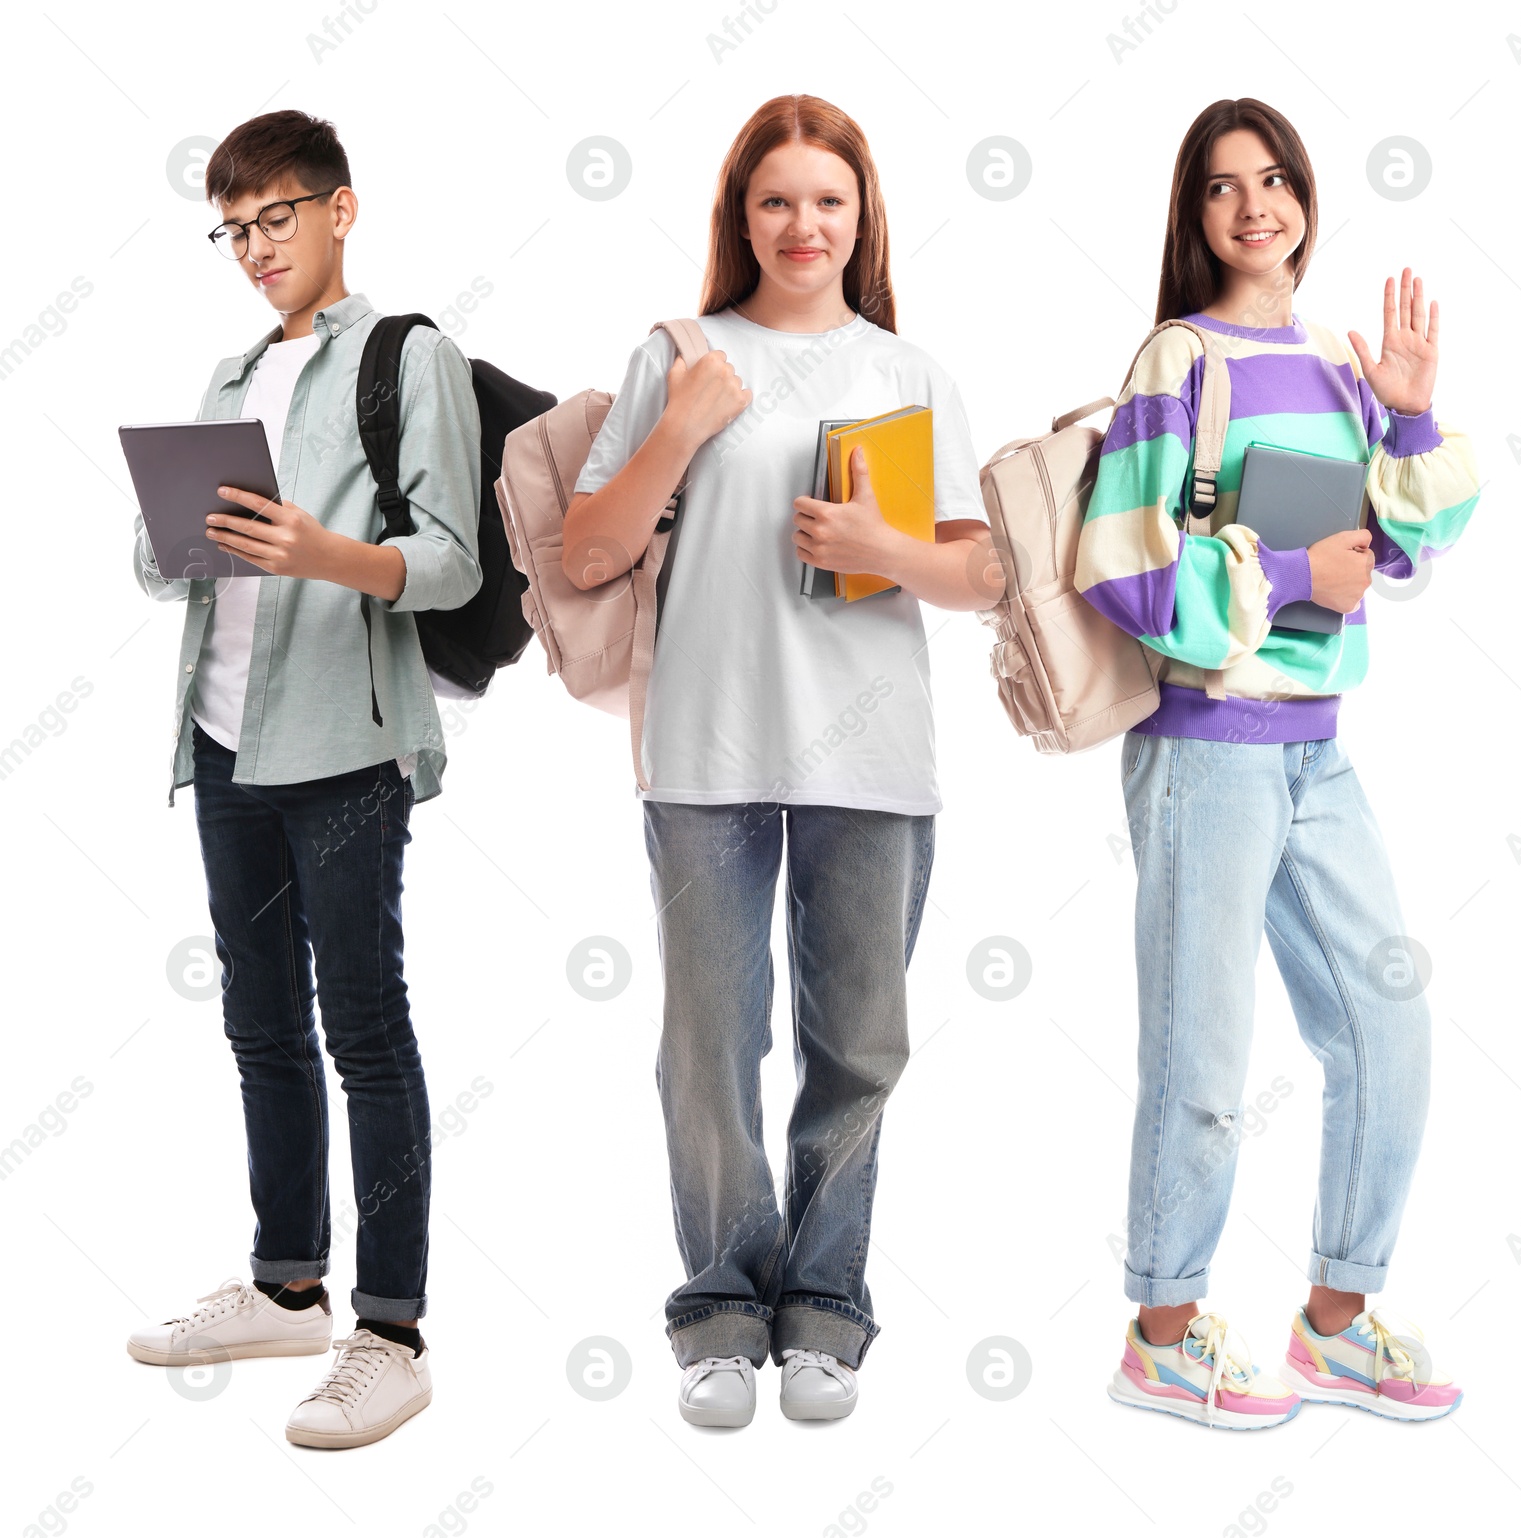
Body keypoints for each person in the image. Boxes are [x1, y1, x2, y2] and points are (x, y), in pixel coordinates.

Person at [564, 93, 1001, 1427]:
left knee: (858, 1045)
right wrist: (684, 426)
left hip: (875, 759)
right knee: (708, 1042)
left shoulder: (909, 368)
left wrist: (888, 556)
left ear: (862, 215)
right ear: (739, 216)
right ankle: (717, 1300)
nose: (803, 225)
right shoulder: (679, 352)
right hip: (705, 751)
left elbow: (982, 572)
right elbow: (585, 553)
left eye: (829, 200)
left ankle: (823, 1304)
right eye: (777, 201)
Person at [1075, 97, 1480, 1428]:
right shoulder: (1175, 363)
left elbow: (1409, 544)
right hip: (1206, 757)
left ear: (1305, 196)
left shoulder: (1333, 359)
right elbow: (1126, 569)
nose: (1256, 207)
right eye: (1223, 187)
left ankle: (1337, 1319)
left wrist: (1410, 419)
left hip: (1320, 754)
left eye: (1275, 180)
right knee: (1206, 1058)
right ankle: (1166, 1330)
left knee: (1391, 1023)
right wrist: (1295, 570)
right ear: (1194, 216)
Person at [126, 109, 481, 1449]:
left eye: (278, 217)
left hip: (345, 744)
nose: (256, 247)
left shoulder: (406, 355)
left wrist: (318, 550)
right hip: (221, 739)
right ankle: (287, 1281)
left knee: (365, 1027)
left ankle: (389, 1328)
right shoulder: (229, 376)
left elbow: (449, 560)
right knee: (260, 1019)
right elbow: (165, 565)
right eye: (234, 227)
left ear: (341, 209)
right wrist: (181, 538)